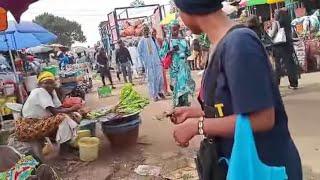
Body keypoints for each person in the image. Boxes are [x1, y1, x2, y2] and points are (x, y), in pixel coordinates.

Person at [170, 0, 302, 179]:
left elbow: (263, 118)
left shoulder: (239, 44)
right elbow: (232, 106)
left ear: (188, 9)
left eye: (178, 10)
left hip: (262, 166)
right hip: (237, 164)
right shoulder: (219, 44)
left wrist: (198, 126)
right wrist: (194, 112)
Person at [16, 72, 82, 157]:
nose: (49, 85)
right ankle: (64, 152)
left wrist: (72, 112)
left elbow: (59, 108)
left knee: (69, 116)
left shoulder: (51, 92)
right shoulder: (39, 91)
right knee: (62, 118)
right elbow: (55, 112)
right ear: (39, 84)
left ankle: (67, 146)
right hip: (29, 126)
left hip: (40, 122)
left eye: (51, 82)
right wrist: (72, 109)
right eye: (46, 83)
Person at [161, 20, 195, 107]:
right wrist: (171, 51)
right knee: (176, 84)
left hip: (184, 65)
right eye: (173, 29)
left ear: (179, 29)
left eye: (176, 29)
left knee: (185, 83)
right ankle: (177, 103)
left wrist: (185, 52)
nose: (175, 31)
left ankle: (185, 101)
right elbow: (161, 53)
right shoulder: (167, 41)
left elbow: (188, 52)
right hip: (175, 67)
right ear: (170, 29)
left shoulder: (183, 40)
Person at [268, 9, 299, 89]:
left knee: (278, 65)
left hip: (278, 46)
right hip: (288, 44)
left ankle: (276, 83)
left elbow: (271, 35)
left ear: (278, 15)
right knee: (289, 64)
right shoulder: (288, 23)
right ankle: (293, 83)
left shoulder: (277, 23)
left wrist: (269, 30)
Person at [138, 26, 165, 101]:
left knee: (160, 78)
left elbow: (158, 49)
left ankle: (159, 91)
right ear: (142, 32)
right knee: (151, 79)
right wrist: (142, 65)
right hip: (148, 64)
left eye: (147, 30)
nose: (146, 32)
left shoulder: (153, 39)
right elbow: (139, 54)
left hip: (157, 61)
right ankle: (154, 95)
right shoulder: (141, 42)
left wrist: (161, 59)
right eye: (144, 30)